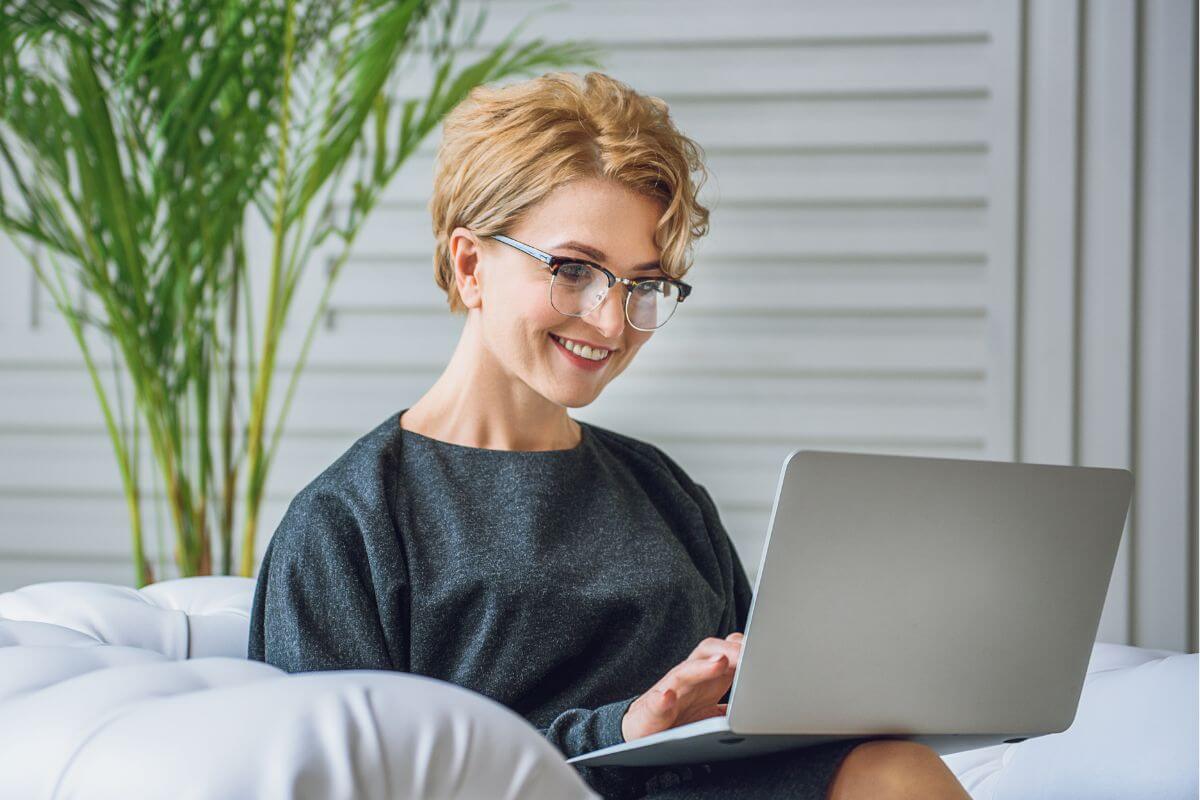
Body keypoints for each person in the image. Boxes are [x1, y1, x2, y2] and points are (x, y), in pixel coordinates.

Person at [247, 70, 971, 800]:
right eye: (575, 270)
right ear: (471, 266)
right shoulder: (349, 523)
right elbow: (349, 774)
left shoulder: (662, 491)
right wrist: (620, 731)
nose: (610, 321)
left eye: (643, 286)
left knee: (893, 772)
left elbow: (752, 728)